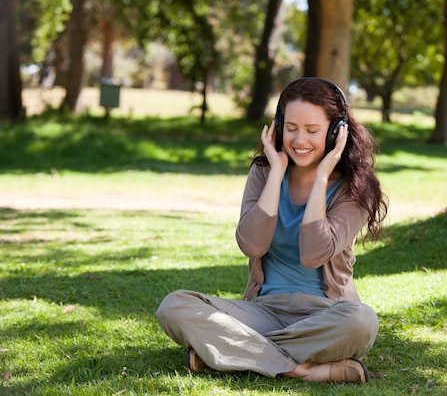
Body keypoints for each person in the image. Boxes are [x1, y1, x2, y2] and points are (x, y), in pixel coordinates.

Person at [156, 77, 388, 383]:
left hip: (326, 315)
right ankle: (301, 370)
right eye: (291, 128)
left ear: (336, 133)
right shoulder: (264, 172)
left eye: (312, 130)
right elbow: (251, 245)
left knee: (362, 321)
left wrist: (321, 178)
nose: (299, 140)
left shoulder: (355, 188)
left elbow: (314, 254)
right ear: (278, 126)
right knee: (173, 306)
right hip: (264, 313)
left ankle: (229, 352)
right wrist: (276, 174)